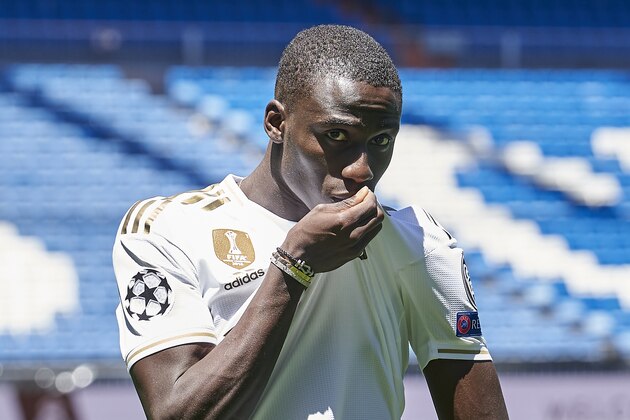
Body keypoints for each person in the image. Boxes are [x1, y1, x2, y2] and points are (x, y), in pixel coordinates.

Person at [113, 24, 509, 419]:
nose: (361, 170)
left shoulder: (418, 243)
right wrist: (294, 265)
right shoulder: (167, 229)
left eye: (382, 140)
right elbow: (178, 414)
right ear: (276, 123)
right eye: (337, 134)